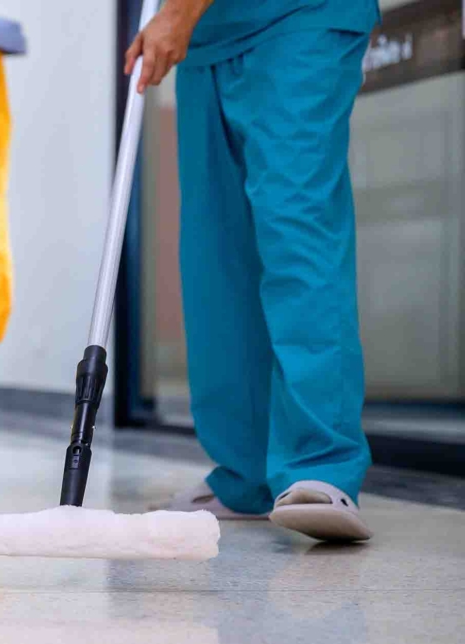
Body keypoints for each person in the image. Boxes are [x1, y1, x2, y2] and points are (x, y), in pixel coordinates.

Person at [130, 0, 379, 541]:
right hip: (208, 38)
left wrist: (177, 11)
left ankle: (321, 465)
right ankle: (245, 478)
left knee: (296, 230)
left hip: (298, 17)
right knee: (216, 260)